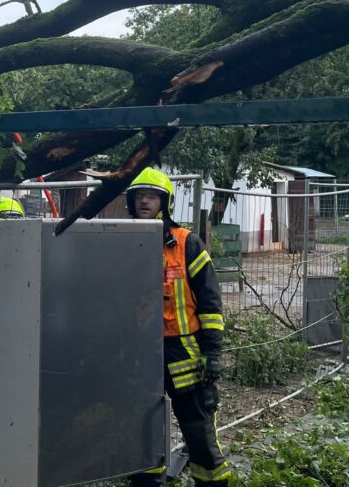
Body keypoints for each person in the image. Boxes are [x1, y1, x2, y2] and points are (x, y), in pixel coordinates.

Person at [127, 167, 231, 486]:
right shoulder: (122, 241)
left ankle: (212, 482)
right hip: (140, 353)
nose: (145, 202)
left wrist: (212, 352)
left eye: (152, 196)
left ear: (166, 203)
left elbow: (210, 303)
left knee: (198, 429)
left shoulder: (187, 244)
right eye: (139, 196)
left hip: (185, 351)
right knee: (143, 428)